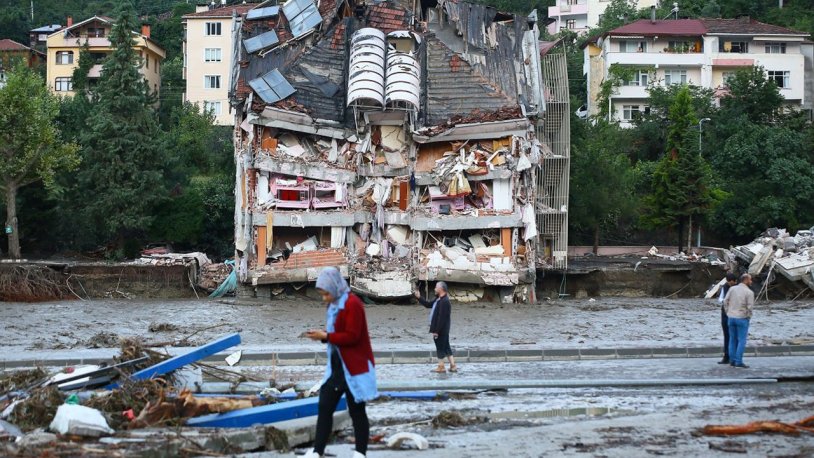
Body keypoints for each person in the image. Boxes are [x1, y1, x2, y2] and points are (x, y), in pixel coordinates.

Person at [304, 267, 377, 458]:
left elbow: (352, 336)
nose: (324, 298)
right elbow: (335, 334)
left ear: (335, 288)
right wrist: (323, 336)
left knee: (357, 411)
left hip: (353, 367)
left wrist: (326, 336)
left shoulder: (353, 304)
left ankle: (360, 453)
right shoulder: (334, 304)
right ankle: (317, 452)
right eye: (322, 294)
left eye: (326, 294)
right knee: (325, 407)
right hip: (337, 366)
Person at [415, 281, 457, 373]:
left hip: (441, 329)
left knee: (440, 348)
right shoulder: (439, 299)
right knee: (446, 347)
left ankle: (441, 366)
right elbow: (428, 304)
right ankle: (453, 366)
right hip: (443, 329)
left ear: (441, 289)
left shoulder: (445, 301)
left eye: (436, 287)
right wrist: (419, 298)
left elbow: (441, 318)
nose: (434, 289)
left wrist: (436, 331)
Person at [724, 273, 755, 369]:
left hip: (731, 317)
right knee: (742, 340)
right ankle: (739, 361)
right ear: (746, 280)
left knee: (732, 339)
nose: (751, 281)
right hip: (742, 318)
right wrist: (748, 316)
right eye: (750, 280)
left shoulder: (732, 289)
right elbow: (750, 307)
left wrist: (728, 312)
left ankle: (732, 360)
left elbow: (725, 301)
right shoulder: (749, 292)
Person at [716, 272, 739, 364]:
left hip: (735, 314)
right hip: (725, 314)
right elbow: (720, 299)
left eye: (731, 282)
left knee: (735, 336)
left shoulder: (738, 288)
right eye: (728, 282)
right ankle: (726, 356)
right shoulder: (724, 287)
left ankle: (734, 357)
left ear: (735, 281)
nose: (730, 284)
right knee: (727, 335)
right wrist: (726, 301)